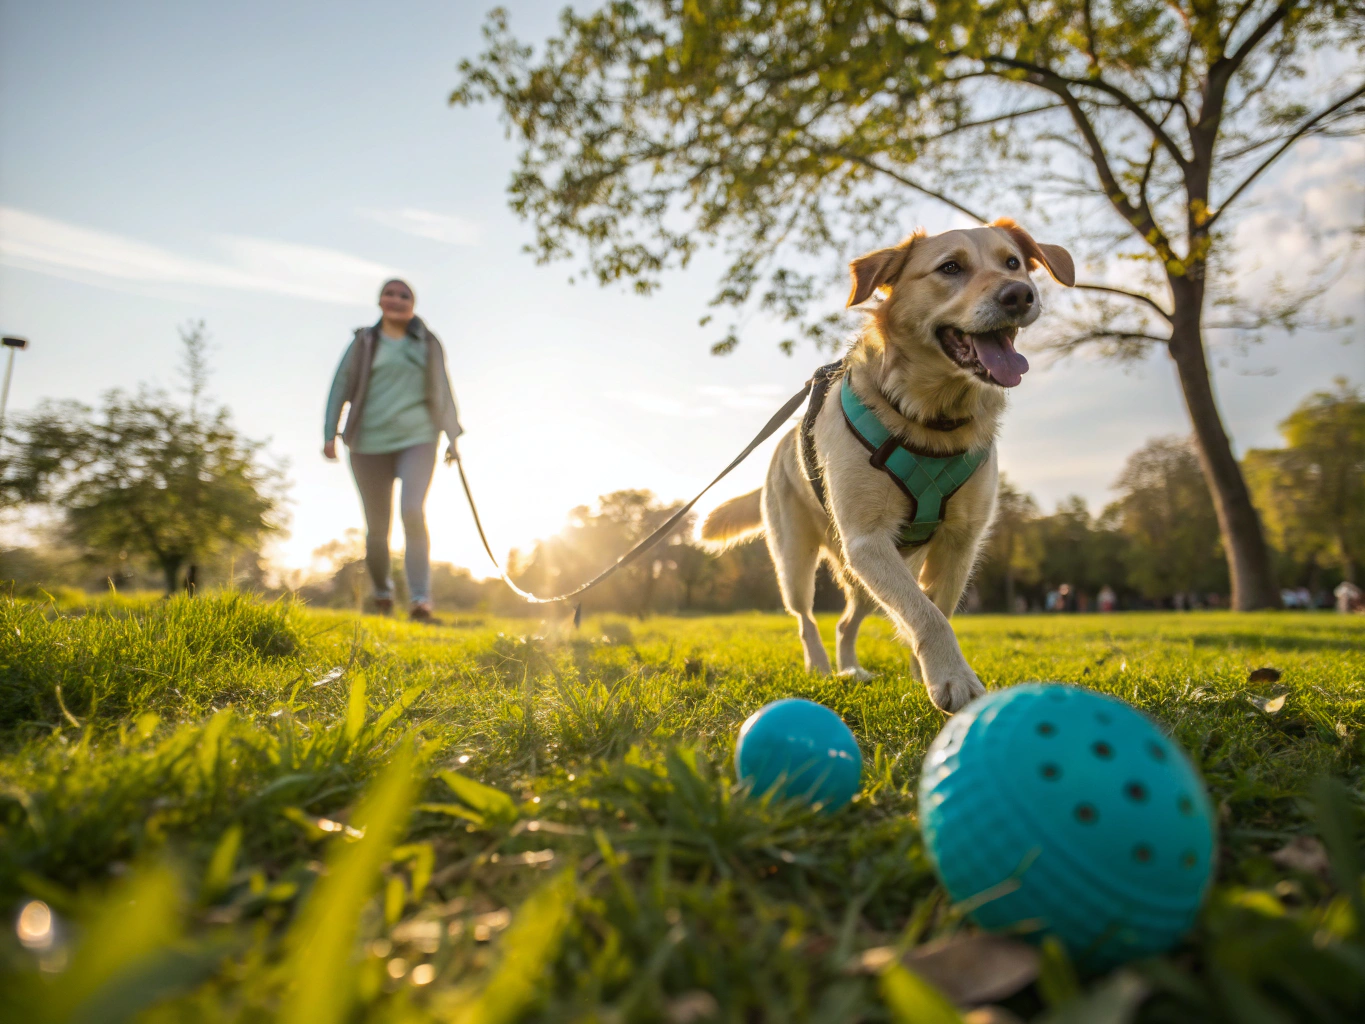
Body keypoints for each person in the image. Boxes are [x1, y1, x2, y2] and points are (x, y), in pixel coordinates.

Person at [323, 279, 463, 621]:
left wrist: (452, 435)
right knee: (377, 528)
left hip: (419, 437)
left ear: (413, 304)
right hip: (367, 443)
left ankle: (420, 601)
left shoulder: (427, 342)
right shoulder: (364, 341)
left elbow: (443, 387)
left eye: (404, 295)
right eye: (390, 293)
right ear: (380, 301)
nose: (396, 299)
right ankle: (383, 594)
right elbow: (340, 385)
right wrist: (330, 433)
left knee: (413, 511)